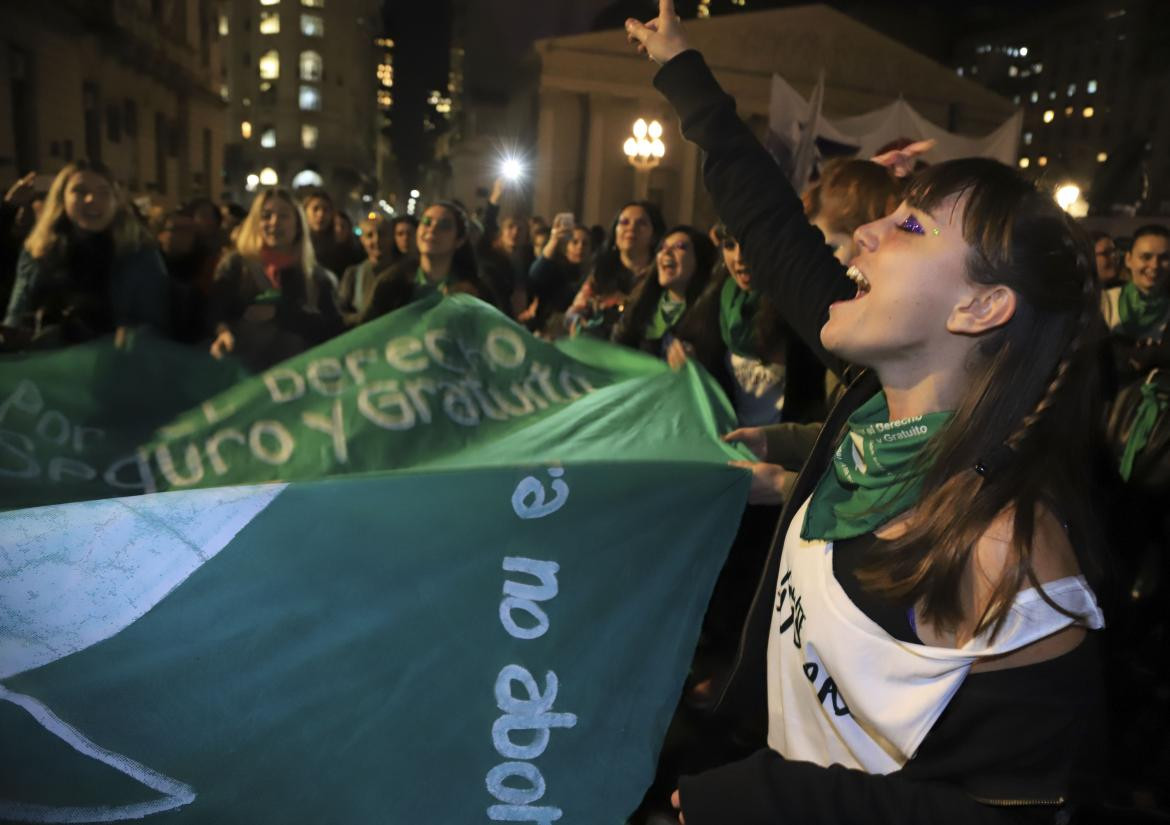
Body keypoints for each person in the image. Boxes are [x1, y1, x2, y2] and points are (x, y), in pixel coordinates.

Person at [627, 6, 1107, 824]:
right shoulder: (867, 420)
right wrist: (685, 72)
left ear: (981, 305)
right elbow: (775, 231)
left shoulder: (1008, 556)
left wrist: (761, 797)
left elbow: (1008, 815)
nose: (866, 233)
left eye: (910, 224)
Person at [3, 159, 169, 348]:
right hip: (45, 367)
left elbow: (157, 324)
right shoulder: (36, 250)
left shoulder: (139, 253)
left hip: (115, 367)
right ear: (61, 199)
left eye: (103, 193)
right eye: (80, 191)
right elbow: (15, 317)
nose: (91, 199)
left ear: (116, 201)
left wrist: (133, 335)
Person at [207, 187, 342, 371]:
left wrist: (281, 314)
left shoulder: (317, 278)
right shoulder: (236, 265)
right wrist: (222, 332)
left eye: (284, 216)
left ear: (298, 225)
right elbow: (214, 310)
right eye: (266, 216)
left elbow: (334, 332)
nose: (274, 223)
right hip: (245, 376)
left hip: (297, 377)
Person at [361, 201, 492, 321]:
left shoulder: (476, 289)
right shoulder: (391, 283)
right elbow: (369, 332)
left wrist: (473, 304)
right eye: (426, 222)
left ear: (459, 240)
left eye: (444, 225)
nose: (432, 229)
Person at [565, 201, 664, 339]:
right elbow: (573, 312)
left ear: (654, 236)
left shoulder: (661, 276)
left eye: (641, 223)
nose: (631, 228)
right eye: (624, 222)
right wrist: (578, 323)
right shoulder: (601, 272)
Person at [613, 225, 715, 354]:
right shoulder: (640, 305)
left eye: (679, 247)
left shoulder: (711, 312)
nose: (666, 252)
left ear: (700, 260)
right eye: (662, 248)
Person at [522, 221, 592, 335]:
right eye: (574, 242)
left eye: (585, 243)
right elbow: (535, 274)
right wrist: (554, 240)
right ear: (565, 246)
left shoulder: (591, 275)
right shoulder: (554, 268)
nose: (580, 247)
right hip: (549, 331)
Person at [337, 213, 393, 326]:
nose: (377, 240)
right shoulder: (353, 274)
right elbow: (340, 314)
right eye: (370, 235)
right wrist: (362, 318)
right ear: (362, 240)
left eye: (382, 234)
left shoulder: (404, 271)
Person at [302, 189, 363, 278]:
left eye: (326, 210)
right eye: (315, 209)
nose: (321, 214)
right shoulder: (297, 246)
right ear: (305, 212)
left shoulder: (344, 252)